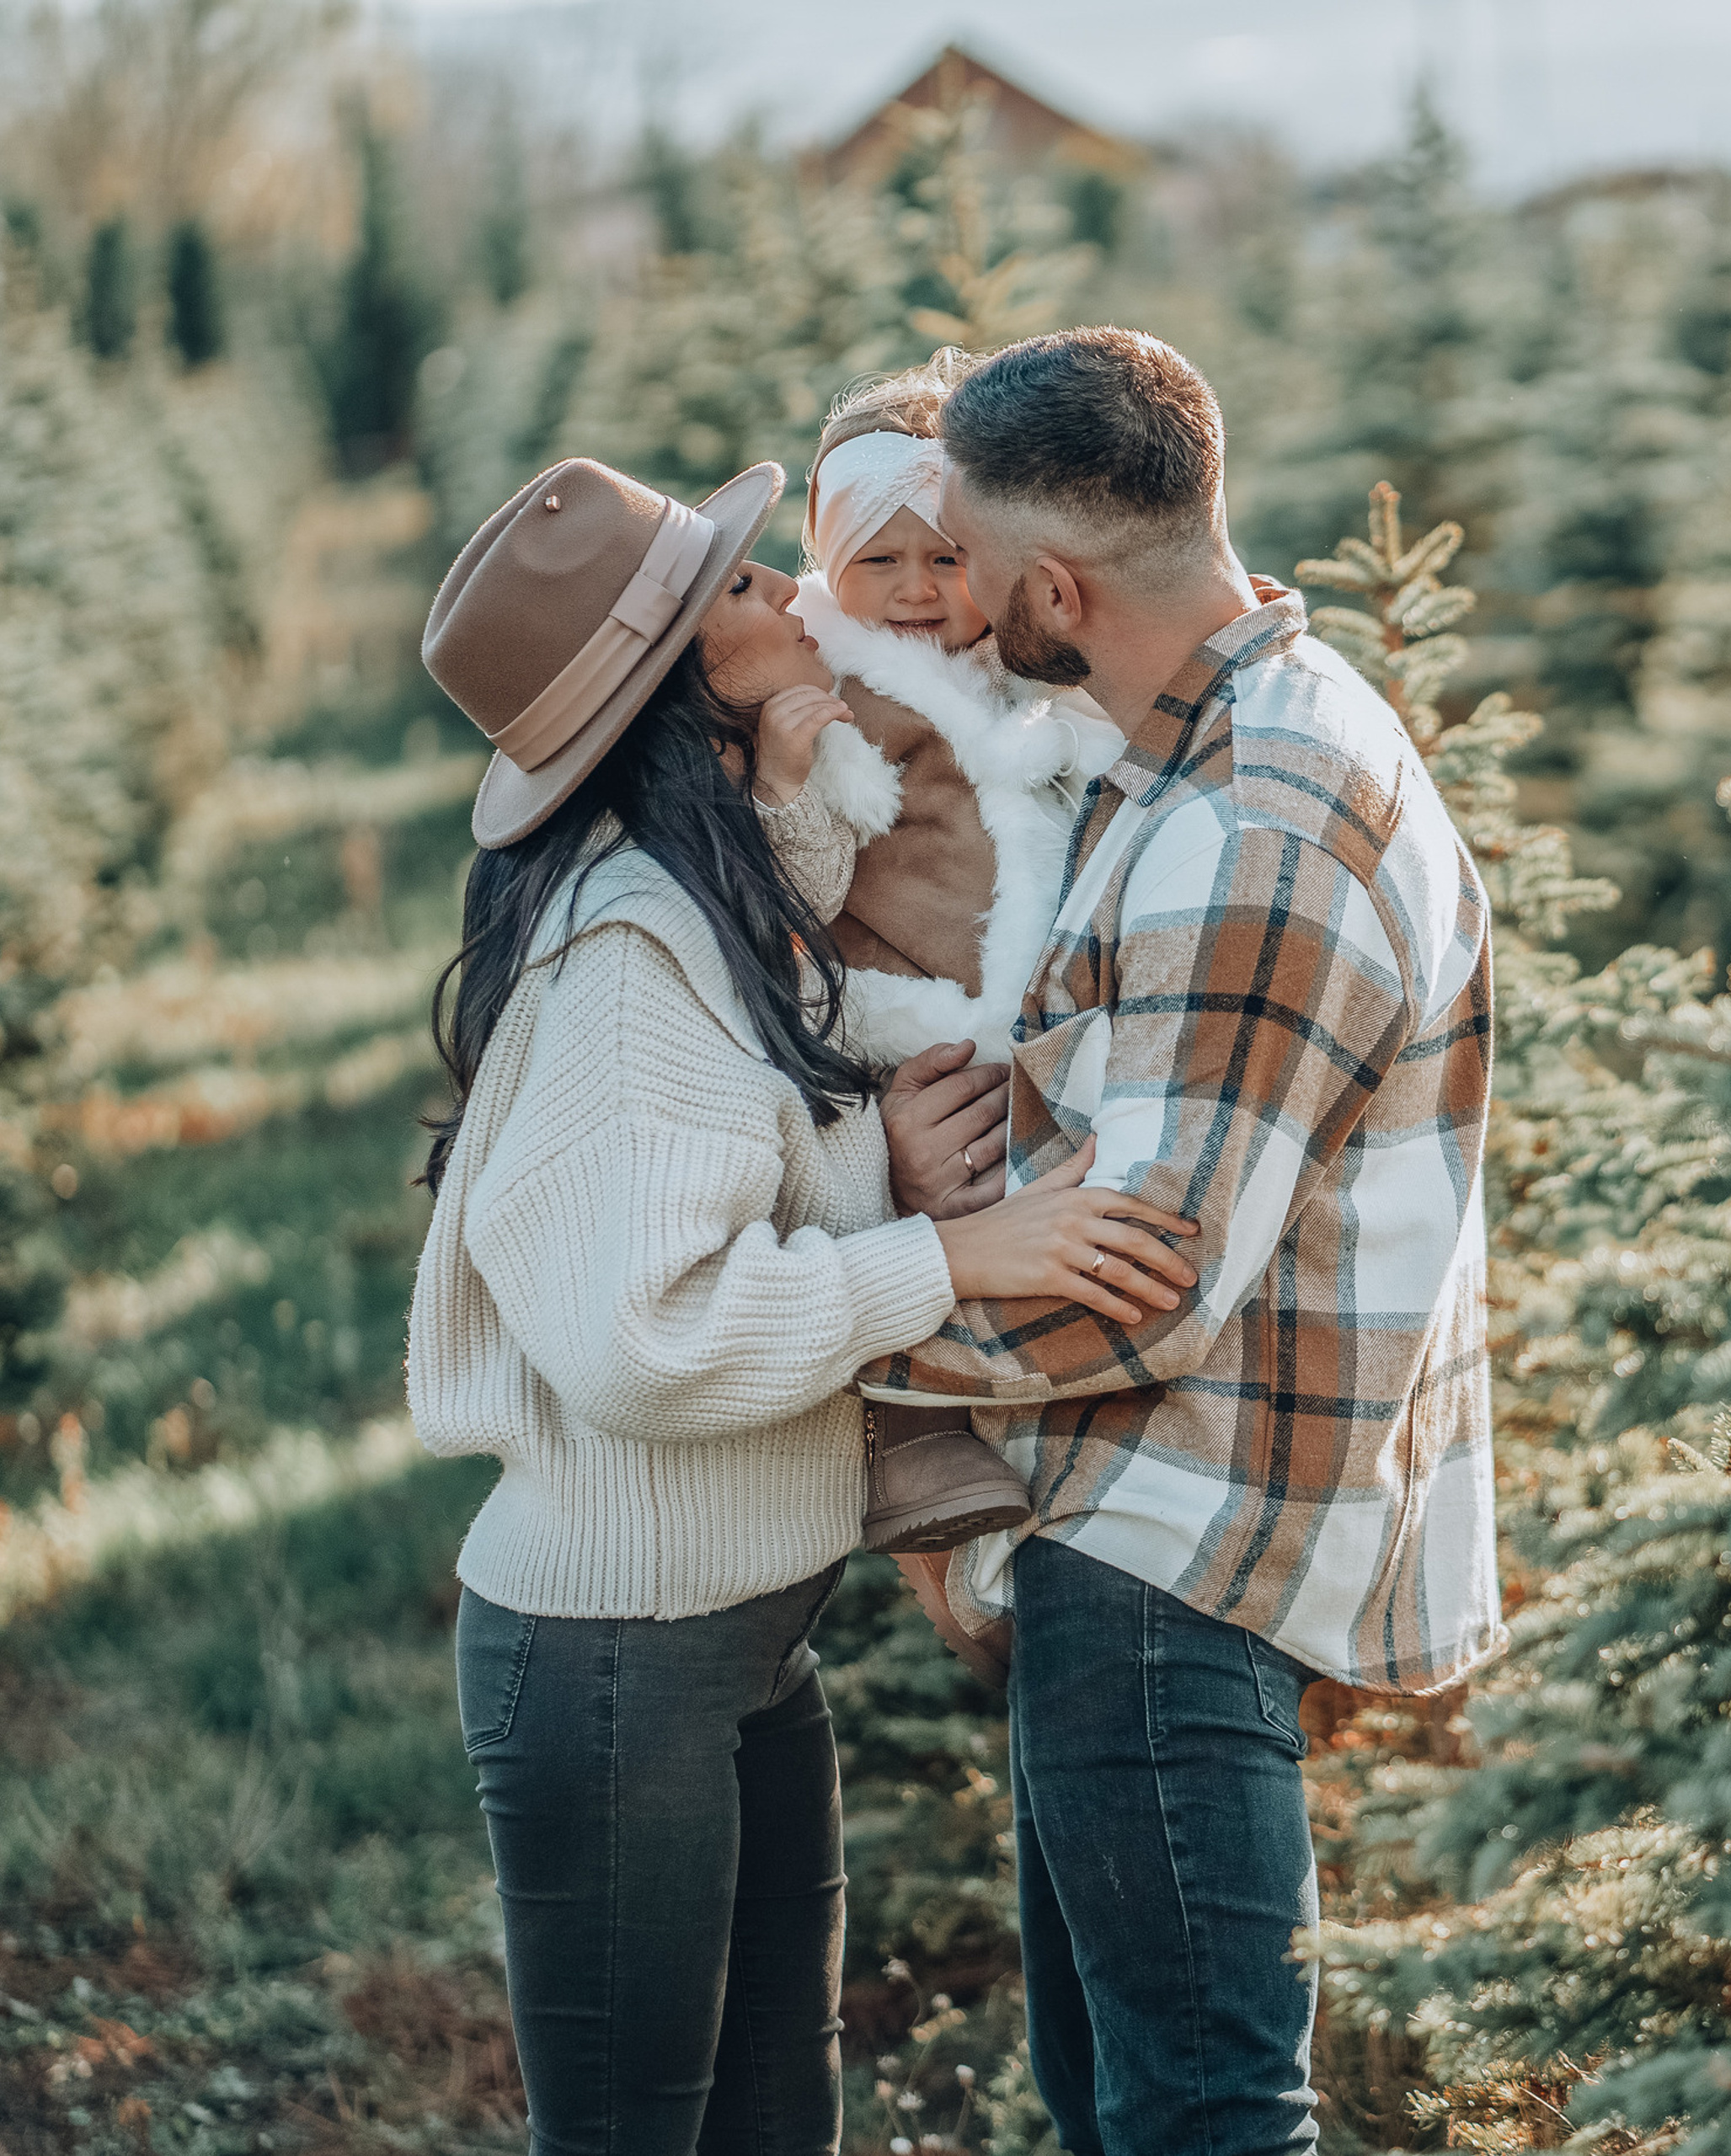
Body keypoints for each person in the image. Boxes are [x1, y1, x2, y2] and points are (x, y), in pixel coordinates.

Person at [403, 453, 1197, 2154]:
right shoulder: (630, 960)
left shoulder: (694, 888)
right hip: (624, 1659)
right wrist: (948, 1253)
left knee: (777, 2119)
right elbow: (644, 1335)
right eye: (746, 588)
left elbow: (744, 1088)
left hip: (741, 1637)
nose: (794, 593)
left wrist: (866, 1158)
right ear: (679, 675)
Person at [856, 328, 1504, 2156]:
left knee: (1199, 2114)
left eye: (973, 566)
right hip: (1148, 1539)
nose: (953, 603)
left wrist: (825, 1348)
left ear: (1057, 590)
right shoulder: (1211, 738)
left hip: (1170, 1559)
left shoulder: (1250, 828)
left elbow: (1138, 1292)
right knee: (1119, 2101)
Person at [776, 354, 1124, 1557]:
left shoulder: (1016, 658)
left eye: (946, 557)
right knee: (928, 1197)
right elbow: (790, 871)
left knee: (1029, 1204)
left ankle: (1050, 1431)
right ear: (827, 559)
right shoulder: (823, 681)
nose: (919, 590)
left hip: (1020, 992)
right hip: (902, 1008)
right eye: (881, 561)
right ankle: (908, 1438)